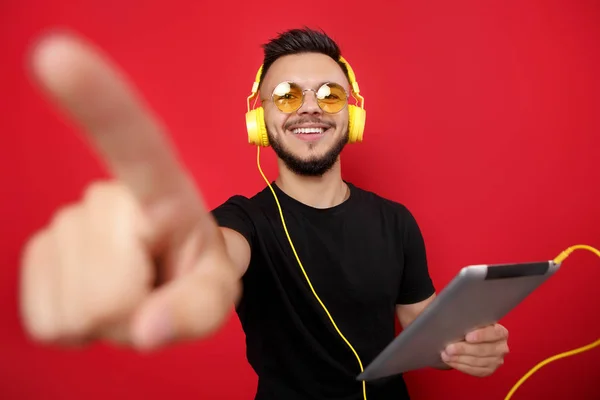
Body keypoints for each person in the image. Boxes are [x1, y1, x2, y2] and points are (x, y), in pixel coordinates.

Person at [19, 27, 509, 400]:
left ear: (352, 114)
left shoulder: (396, 220)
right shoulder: (243, 224)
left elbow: (423, 325)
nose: (310, 108)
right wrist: (164, 262)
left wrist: (466, 346)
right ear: (260, 120)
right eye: (287, 95)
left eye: (329, 94)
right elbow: (213, 254)